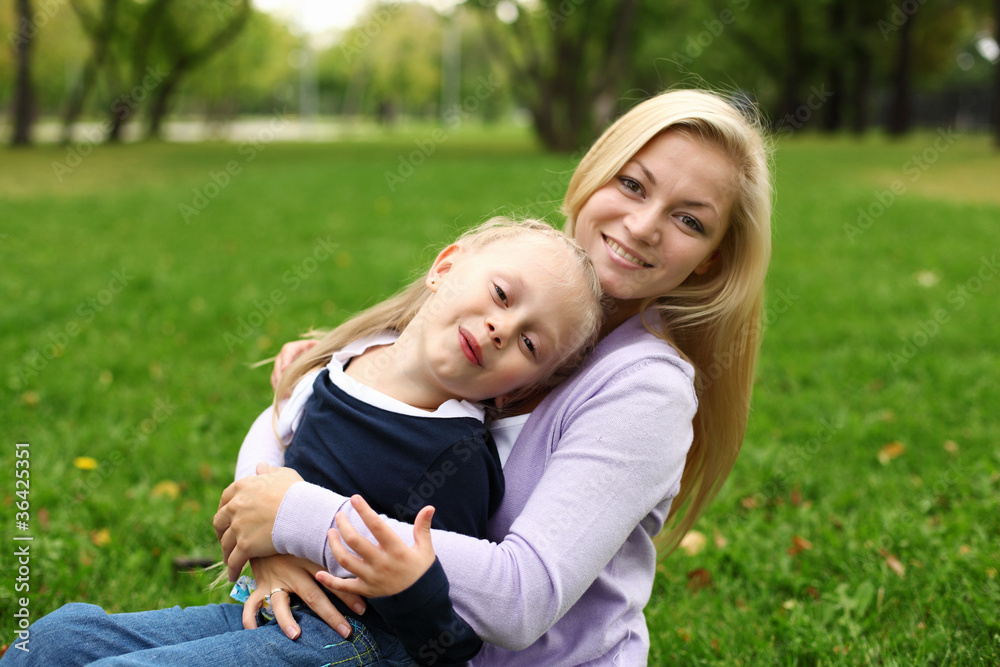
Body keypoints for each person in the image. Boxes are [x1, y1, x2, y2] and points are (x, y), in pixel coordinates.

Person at [213, 88, 774, 665]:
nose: (643, 224)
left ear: (710, 258)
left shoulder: (647, 390)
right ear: (592, 174)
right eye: (632, 184)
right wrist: (268, 541)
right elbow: (288, 416)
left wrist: (298, 520)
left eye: (689, 220)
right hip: (359, 632)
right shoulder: (505, 287)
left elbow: (522, 597)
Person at [1, 218, 605, 667]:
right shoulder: (340, 366)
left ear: (520, 387)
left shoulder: (459, 454)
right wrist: (265, 544)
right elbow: (267, 446)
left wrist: (413, 587)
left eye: (531, 344)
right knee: (56, 639)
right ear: (445, 266)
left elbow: (449, 644)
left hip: (355, 644)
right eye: (501, 295)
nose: (503, 328)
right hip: (269, 610)